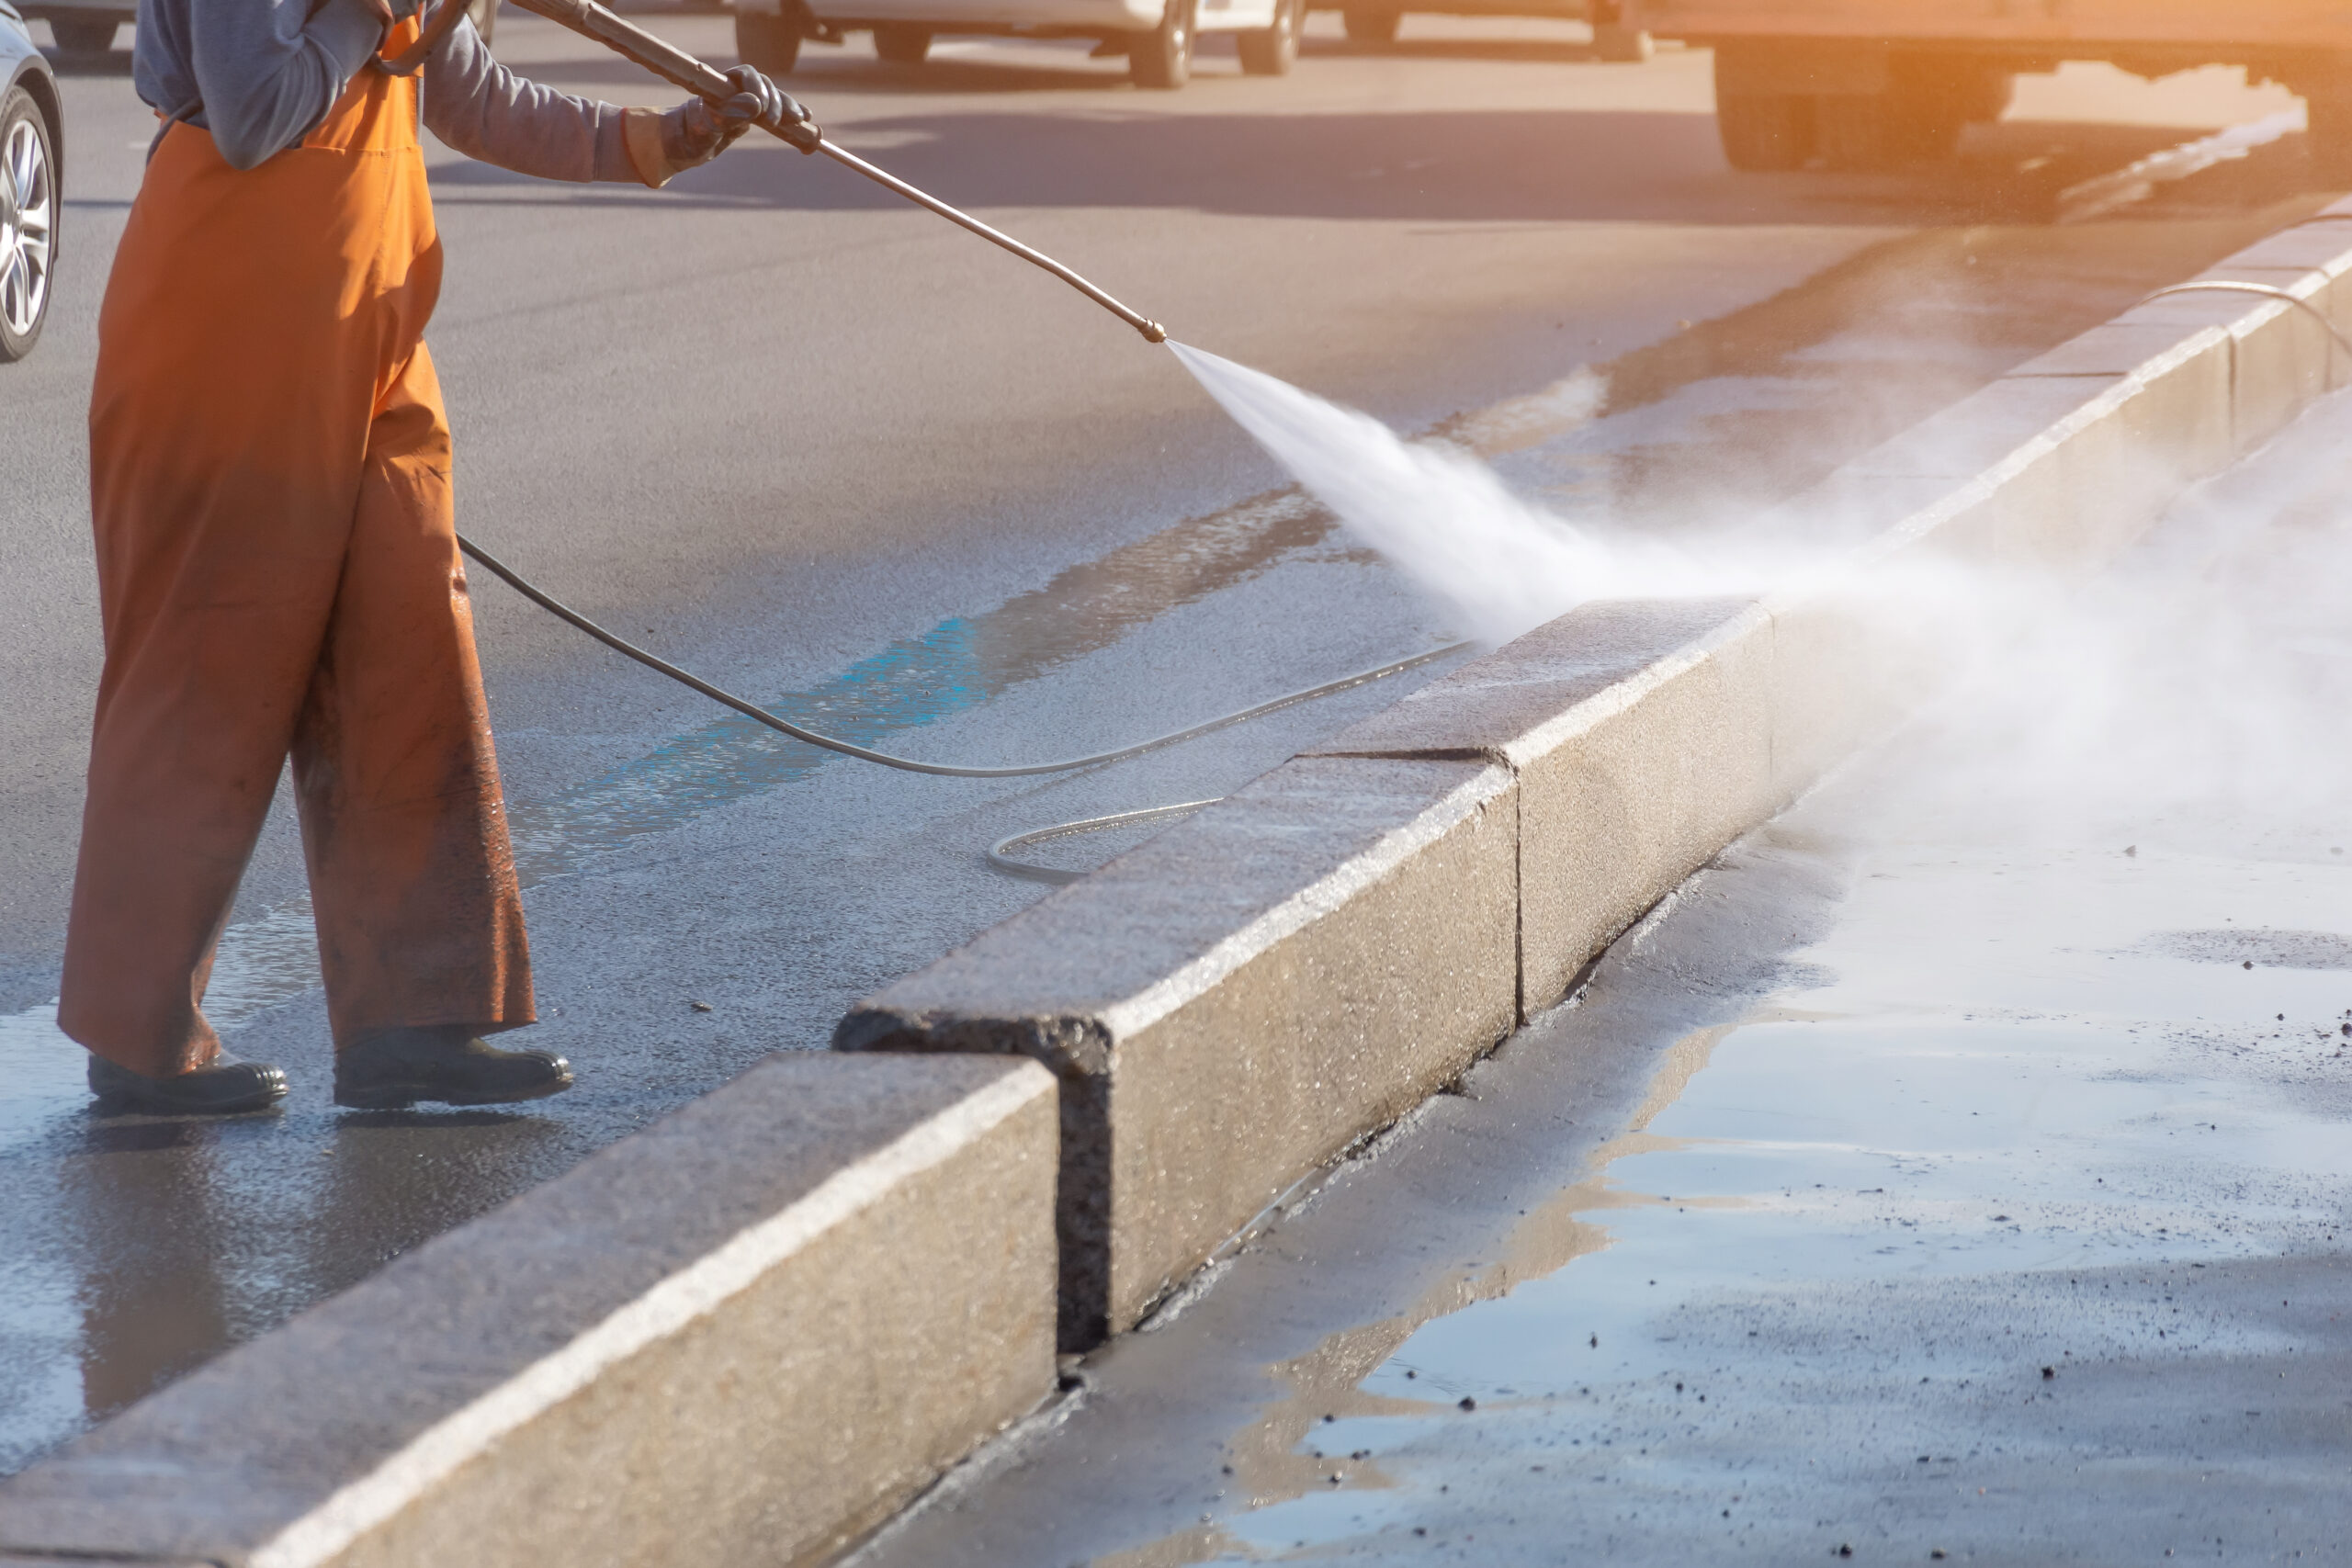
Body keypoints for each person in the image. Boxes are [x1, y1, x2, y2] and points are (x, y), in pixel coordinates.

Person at [61, 0, 795, 1115]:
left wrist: (666, 136)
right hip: (223, 329)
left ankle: (412, 1021)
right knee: (204, 676)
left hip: (367, 330)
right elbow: (255, 112)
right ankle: (138, 1036)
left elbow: (473, 97)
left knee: (409, 648)